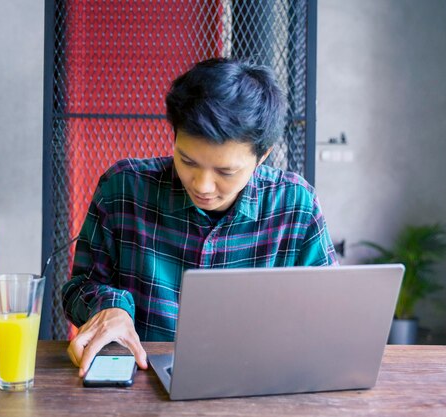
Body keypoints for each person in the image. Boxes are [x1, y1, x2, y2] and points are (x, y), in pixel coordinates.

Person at [62, 57, 339, 377]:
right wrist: (109, 307)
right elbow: (79, 286)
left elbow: (326, 312)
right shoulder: (124, 187)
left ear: (262, 156)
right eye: (188, 161)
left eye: (225, 171)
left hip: (260, 379)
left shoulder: (295, 205)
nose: (203, 186)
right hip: (141, 382)